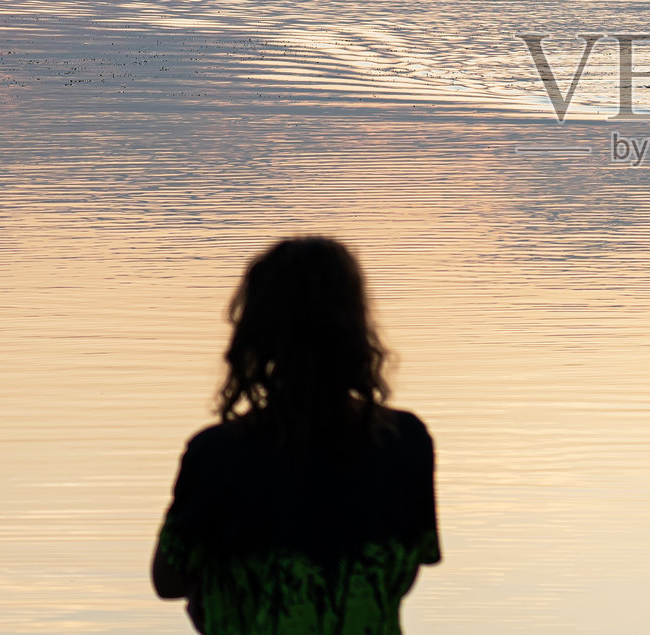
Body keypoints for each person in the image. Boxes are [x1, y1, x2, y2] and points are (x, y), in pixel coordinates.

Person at [153, 237, 440, 634]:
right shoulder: (405, 440)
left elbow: (168, 582)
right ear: (356, 328)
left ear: (255, 332)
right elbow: (403, 572)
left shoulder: (218, 452)